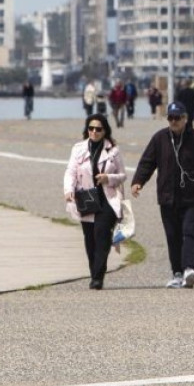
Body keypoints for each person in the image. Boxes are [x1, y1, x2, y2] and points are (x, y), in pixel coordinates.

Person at [131, 102, 194, 288]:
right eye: (170, 118)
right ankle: (177, 273)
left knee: (190, 233)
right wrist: (138, 181)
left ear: (185, 119)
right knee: (173, 236)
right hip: (167, 197)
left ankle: (189, 268)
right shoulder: (159, 139)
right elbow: (147, 162)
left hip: (191, 197)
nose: (174, 121)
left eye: (177, 118)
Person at [64, 113, 127, 290]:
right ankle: (94, 271)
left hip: (107, 198)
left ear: (105, 131)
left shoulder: (113, 151)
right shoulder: (78, 149)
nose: (94, 132)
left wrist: (108, 177)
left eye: (98, 129)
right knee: (89, 238)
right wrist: (68, 190)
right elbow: (70, 171)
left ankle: (98, 276)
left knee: (102, 235)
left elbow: (123, 175)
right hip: (87, 198)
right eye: (91, 128)